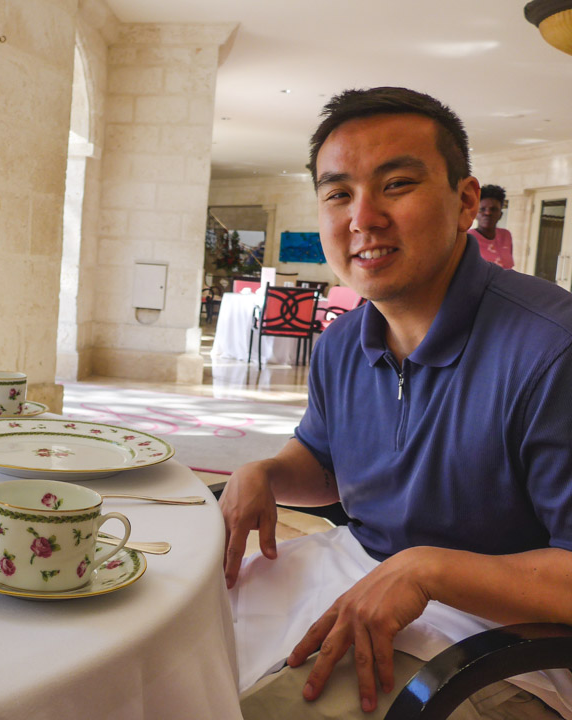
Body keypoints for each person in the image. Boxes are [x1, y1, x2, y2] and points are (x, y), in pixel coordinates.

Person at [220, 87, 572, 720]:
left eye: (398, 184)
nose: (363, 218)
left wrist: (428, 571)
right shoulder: (342, 342)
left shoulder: (553, 350)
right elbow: (325, 461)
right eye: (338, 193)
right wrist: (267, 474)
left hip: (508, 639)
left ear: (465, 201)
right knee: (175, 652)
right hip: (358, 570)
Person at [469, 184, 515, 269]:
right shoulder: (467, 238)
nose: (488, 213)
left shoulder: (506, 235)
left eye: (493, 209)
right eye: (482, 209)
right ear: (475, 214)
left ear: (500, 215)